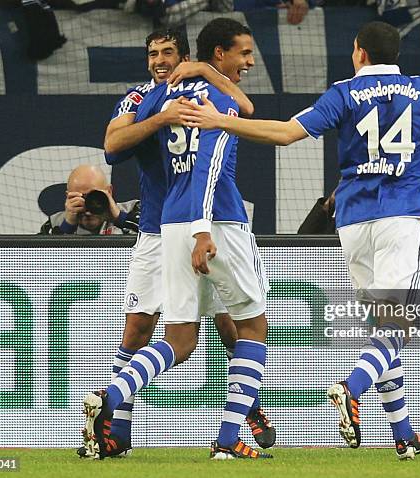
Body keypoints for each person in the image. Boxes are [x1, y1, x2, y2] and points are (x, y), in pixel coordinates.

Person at [178, 20, 420, 459]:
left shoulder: (343, 93)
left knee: (384, 328)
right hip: (402, 218)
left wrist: (218, 120)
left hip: (353, 223)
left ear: (359, 53)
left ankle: (404, 433)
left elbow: (283, 134)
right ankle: (351, 386)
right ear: (395, 55)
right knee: (400, 326)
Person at [78, 26, 273, 460]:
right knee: (248, 326)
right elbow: (115, 146)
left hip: (171, 221)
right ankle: (222, 435)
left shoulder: (164, 94)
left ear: (183, 56)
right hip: (202, 221)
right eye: (153, 53)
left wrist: (186, 85)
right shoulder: (177, 99)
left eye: (168, 52)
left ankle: (111, 396)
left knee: (192, 337)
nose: (159, 60)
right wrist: (170, 110)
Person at [39, 164, 140, 235]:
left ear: (109, 192)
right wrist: (67, 227)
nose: (88, 211)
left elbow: (151, 240)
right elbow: (41, 260)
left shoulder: (132, 210)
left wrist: (119, 217)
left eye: (93, 197)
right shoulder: (54, 224)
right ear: (68, 196)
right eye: (80, 198)